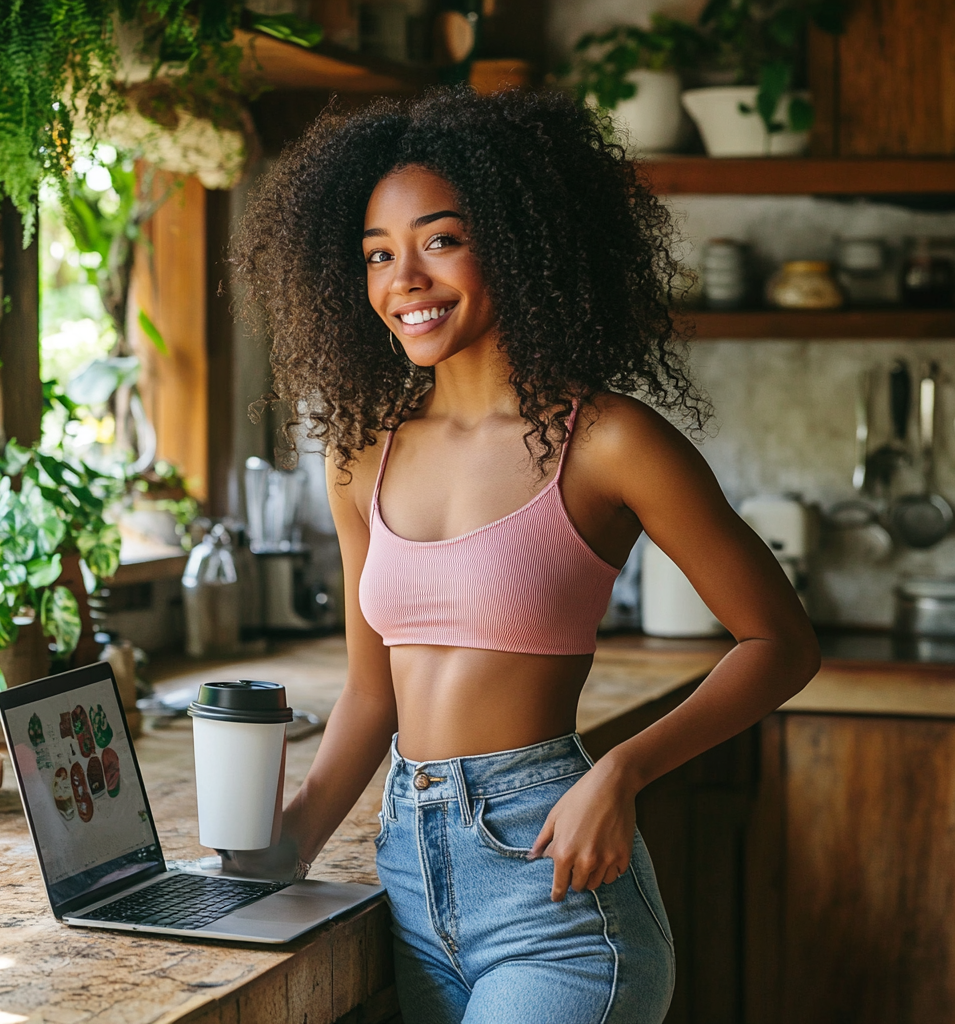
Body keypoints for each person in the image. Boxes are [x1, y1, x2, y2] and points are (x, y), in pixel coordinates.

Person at [232, 87, 819, 1024]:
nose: (404, 280)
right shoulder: (360, 455)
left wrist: (618, 772)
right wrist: (291, 837)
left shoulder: (610, 440)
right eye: (378, 255)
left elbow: (780, 643)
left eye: (440, 240)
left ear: (518, 238)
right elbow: (372, 691)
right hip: (411, 880)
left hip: (553, 891)